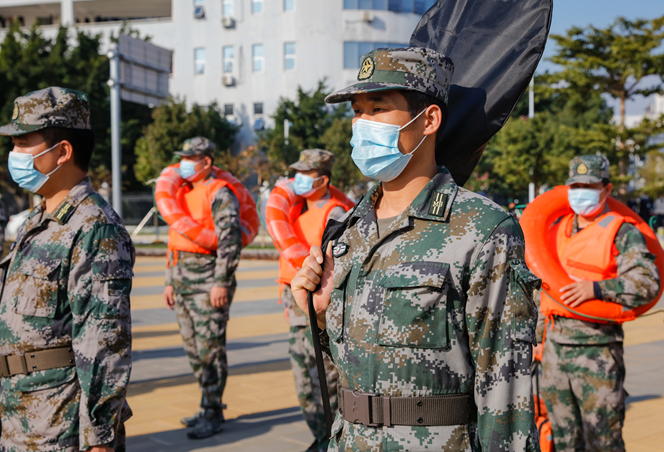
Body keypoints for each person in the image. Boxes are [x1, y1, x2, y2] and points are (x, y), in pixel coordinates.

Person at [291, 47, 541, 451]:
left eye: (377, 109)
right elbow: (353, 363)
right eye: (357, 111)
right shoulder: (348, 230)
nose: (362, 125)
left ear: (428, 120)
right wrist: (319, 318)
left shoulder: (482, 229)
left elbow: (506, 390)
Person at [0, 87, 134, 452]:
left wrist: (101, 441)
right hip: (20, 417)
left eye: (23, 142)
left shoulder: (94, 227)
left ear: (62, 152)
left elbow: (104, 342)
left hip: (61, 428)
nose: (15, 154)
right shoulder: (39, 218)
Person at [535, 154, 660, 451]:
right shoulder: (554, 231)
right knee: (564, 440)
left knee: (603, 442)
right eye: (576, 185)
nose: (581, 191)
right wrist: (536, 340)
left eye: (589, 185)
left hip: (598, 353)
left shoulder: (622, 232)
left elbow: (647, 283)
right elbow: (543, 290)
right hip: (553, 352)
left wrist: (598, 289)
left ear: (606, 189)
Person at [162, 137, 243, 439]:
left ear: (206, 161)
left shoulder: (219, 193)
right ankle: (206, 404)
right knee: (194, 351)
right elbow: (175, 241)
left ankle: (213, 412)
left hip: (208, 283)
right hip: (182, 284)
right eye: (181, 157)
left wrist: (221, 281)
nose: (183, 163)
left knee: (210, 351)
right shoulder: (182, 193)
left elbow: (230, 241)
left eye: (190, 158)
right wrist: (169, 281)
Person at [270, 149, 349, 452]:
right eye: (297, 174)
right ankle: (320, 437)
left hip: (318, 307)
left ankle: (333, 440)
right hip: (297, 304)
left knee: (326, 379)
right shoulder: (300, 212)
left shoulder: (335, 212)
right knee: (304, 379)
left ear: (323, 179)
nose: (298, 180)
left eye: (306, 175)